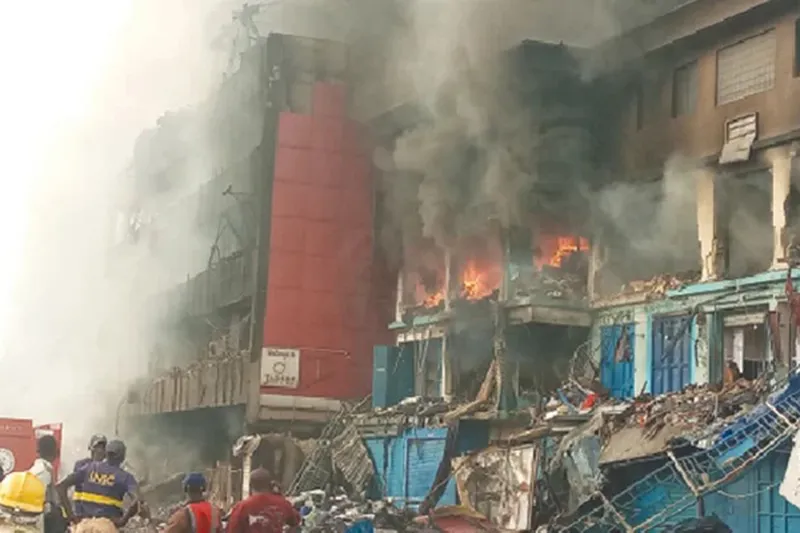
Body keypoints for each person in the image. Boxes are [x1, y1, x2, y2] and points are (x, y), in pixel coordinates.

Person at [56, 440, 144, 533]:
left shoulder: (89, 468)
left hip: (84, 526)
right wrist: (122, 521)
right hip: (106, 527)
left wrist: (71, 516)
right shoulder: (125, 477)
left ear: (106, 453)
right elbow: (137, 501)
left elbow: (61, 486)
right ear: (122, 457)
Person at [225, 469, 299, 533]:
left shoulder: (242, 506)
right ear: (270, 485)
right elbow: (295, 521)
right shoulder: (282, 503)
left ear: (251, 486)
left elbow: (232, 530)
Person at [28, 436, 63, 533]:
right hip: (40, 518)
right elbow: (39, 497)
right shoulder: (44, 471)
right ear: (55, 452)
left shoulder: (37, 468)